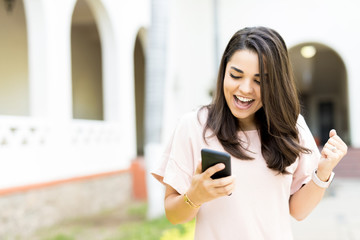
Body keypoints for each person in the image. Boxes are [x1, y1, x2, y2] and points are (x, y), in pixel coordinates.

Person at [151, 26, 348, 240]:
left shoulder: (292, 127)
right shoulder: (194, 126)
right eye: (236, 75)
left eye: (259, 80)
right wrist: (195, 196)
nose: (245, 89)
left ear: (275, 83)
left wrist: (324, 171)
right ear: (224, 72)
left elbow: (298, 211)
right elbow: (173, 215)